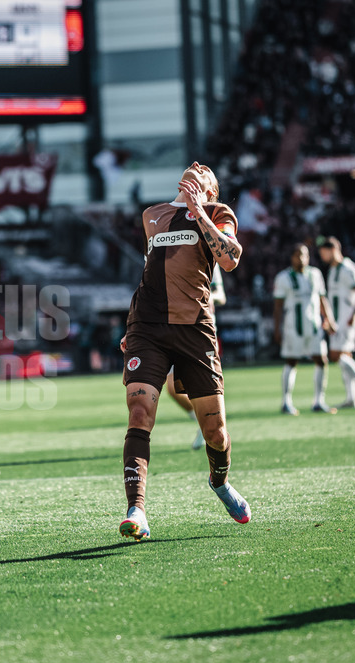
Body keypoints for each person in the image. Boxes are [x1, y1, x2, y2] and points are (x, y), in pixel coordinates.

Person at [118, 162, 251, 542]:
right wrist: (131, 326)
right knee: (139, 410)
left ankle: (220, 483)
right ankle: (136, 510)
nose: (196, 167)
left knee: (216, 432)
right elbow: (149, 273)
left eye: (205, 171)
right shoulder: (153, 216)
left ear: (211, 191)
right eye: (192, 167)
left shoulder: (218, 214)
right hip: (148, 328)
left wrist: (200, 214)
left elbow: (229, 258)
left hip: (194, 329)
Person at [165, 263, 227, 450]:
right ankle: (203, 422)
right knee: (172, 388)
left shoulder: (209, 261)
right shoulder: (170, 254)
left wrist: (206, 297)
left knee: (202, 386)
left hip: (202, 330)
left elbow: (221, 296)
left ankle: (212, 428)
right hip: (175, 329)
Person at [272, 243, 337, 416]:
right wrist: (277, 329)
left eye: (305, 255)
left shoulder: (315, 274)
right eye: (298, 255)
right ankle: (286, 402)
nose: (301, 258)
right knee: (292, 362)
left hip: (314, 326)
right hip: (293, 328)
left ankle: (318, 401)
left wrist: (329, 320)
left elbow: (322, 299)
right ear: (292, 257)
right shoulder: (283, 278)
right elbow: (278, 306)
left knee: (321, 360)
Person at [317, 236, 355, 409]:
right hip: (337, 321)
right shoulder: (332, 270)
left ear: (333, 250)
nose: (322, 257)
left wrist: (354, 315)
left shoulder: (348, 268)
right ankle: (352, 398)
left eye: (323, 253)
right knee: (345, 357)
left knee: (337, 355)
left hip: (347, 320)